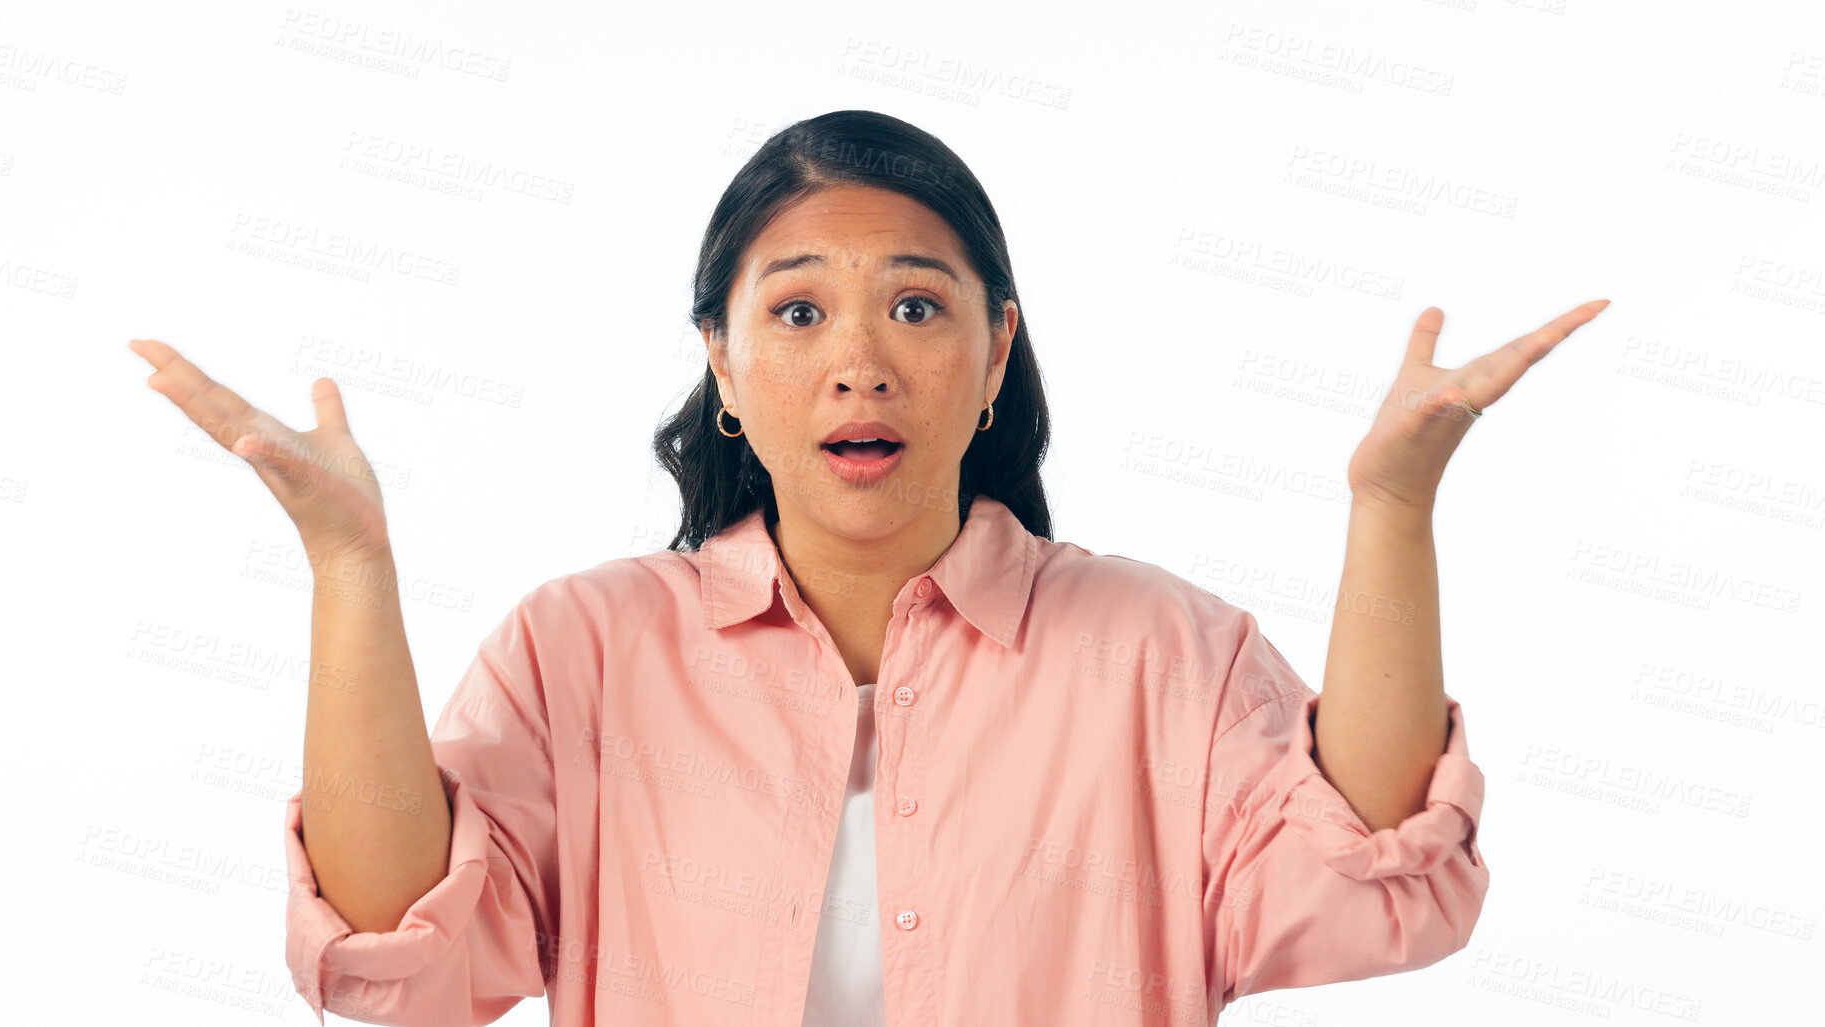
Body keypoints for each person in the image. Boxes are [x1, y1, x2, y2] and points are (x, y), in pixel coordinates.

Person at [130, 109, 1608, 1027]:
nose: (857, 362)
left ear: (993, 354)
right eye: (794, 315)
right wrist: (349, 563)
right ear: (718, 359)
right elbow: (395, 958)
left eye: (915, 304)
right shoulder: (583, 651)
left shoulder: (1157, 649)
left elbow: (1371, 891)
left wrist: (1393, 508)